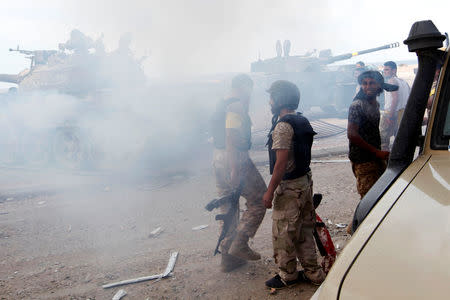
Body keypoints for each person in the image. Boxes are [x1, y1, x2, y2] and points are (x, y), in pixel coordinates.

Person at [263, 80, 325, 289]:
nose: (269, 101)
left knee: (284, 233)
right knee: (305, 229)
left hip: (289, 188)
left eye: (271, 97)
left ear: (279, 99)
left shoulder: (282, 126)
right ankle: (313, 272)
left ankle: (287, 275)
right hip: (305, 183)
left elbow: (280, 164)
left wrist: (269, 192)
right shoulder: (302, 120)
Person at [212, 74, 266, 272]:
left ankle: (228, 259)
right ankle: (240, 242)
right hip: (234, 158)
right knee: (260, 199)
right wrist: (235, 167)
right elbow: (231, 135)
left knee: (228, 206)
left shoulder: (221, 103)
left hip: (218, 158)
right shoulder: (235, 106)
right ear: (245, 87)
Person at [347, 71, 397, 234]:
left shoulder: (375, 104)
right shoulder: (357, 105)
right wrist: (376, 152)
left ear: (379, 86)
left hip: (375, 156)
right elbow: (352, 134)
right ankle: (358, 232)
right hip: (362, 159)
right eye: (364, 83)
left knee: (379, 193)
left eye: (371, 83)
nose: (367, 86)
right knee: (368, 198)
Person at [380, 61, 411, 150]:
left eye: (387, 70)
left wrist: (390, 116)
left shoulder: (392, 81)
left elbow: (395, 99)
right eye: (384, 70)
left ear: (394, 71)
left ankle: (386, 161)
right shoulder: (404, 82)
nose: (384, 72)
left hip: (392, 112)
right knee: (399, 139)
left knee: (383, 141)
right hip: (402, 113)